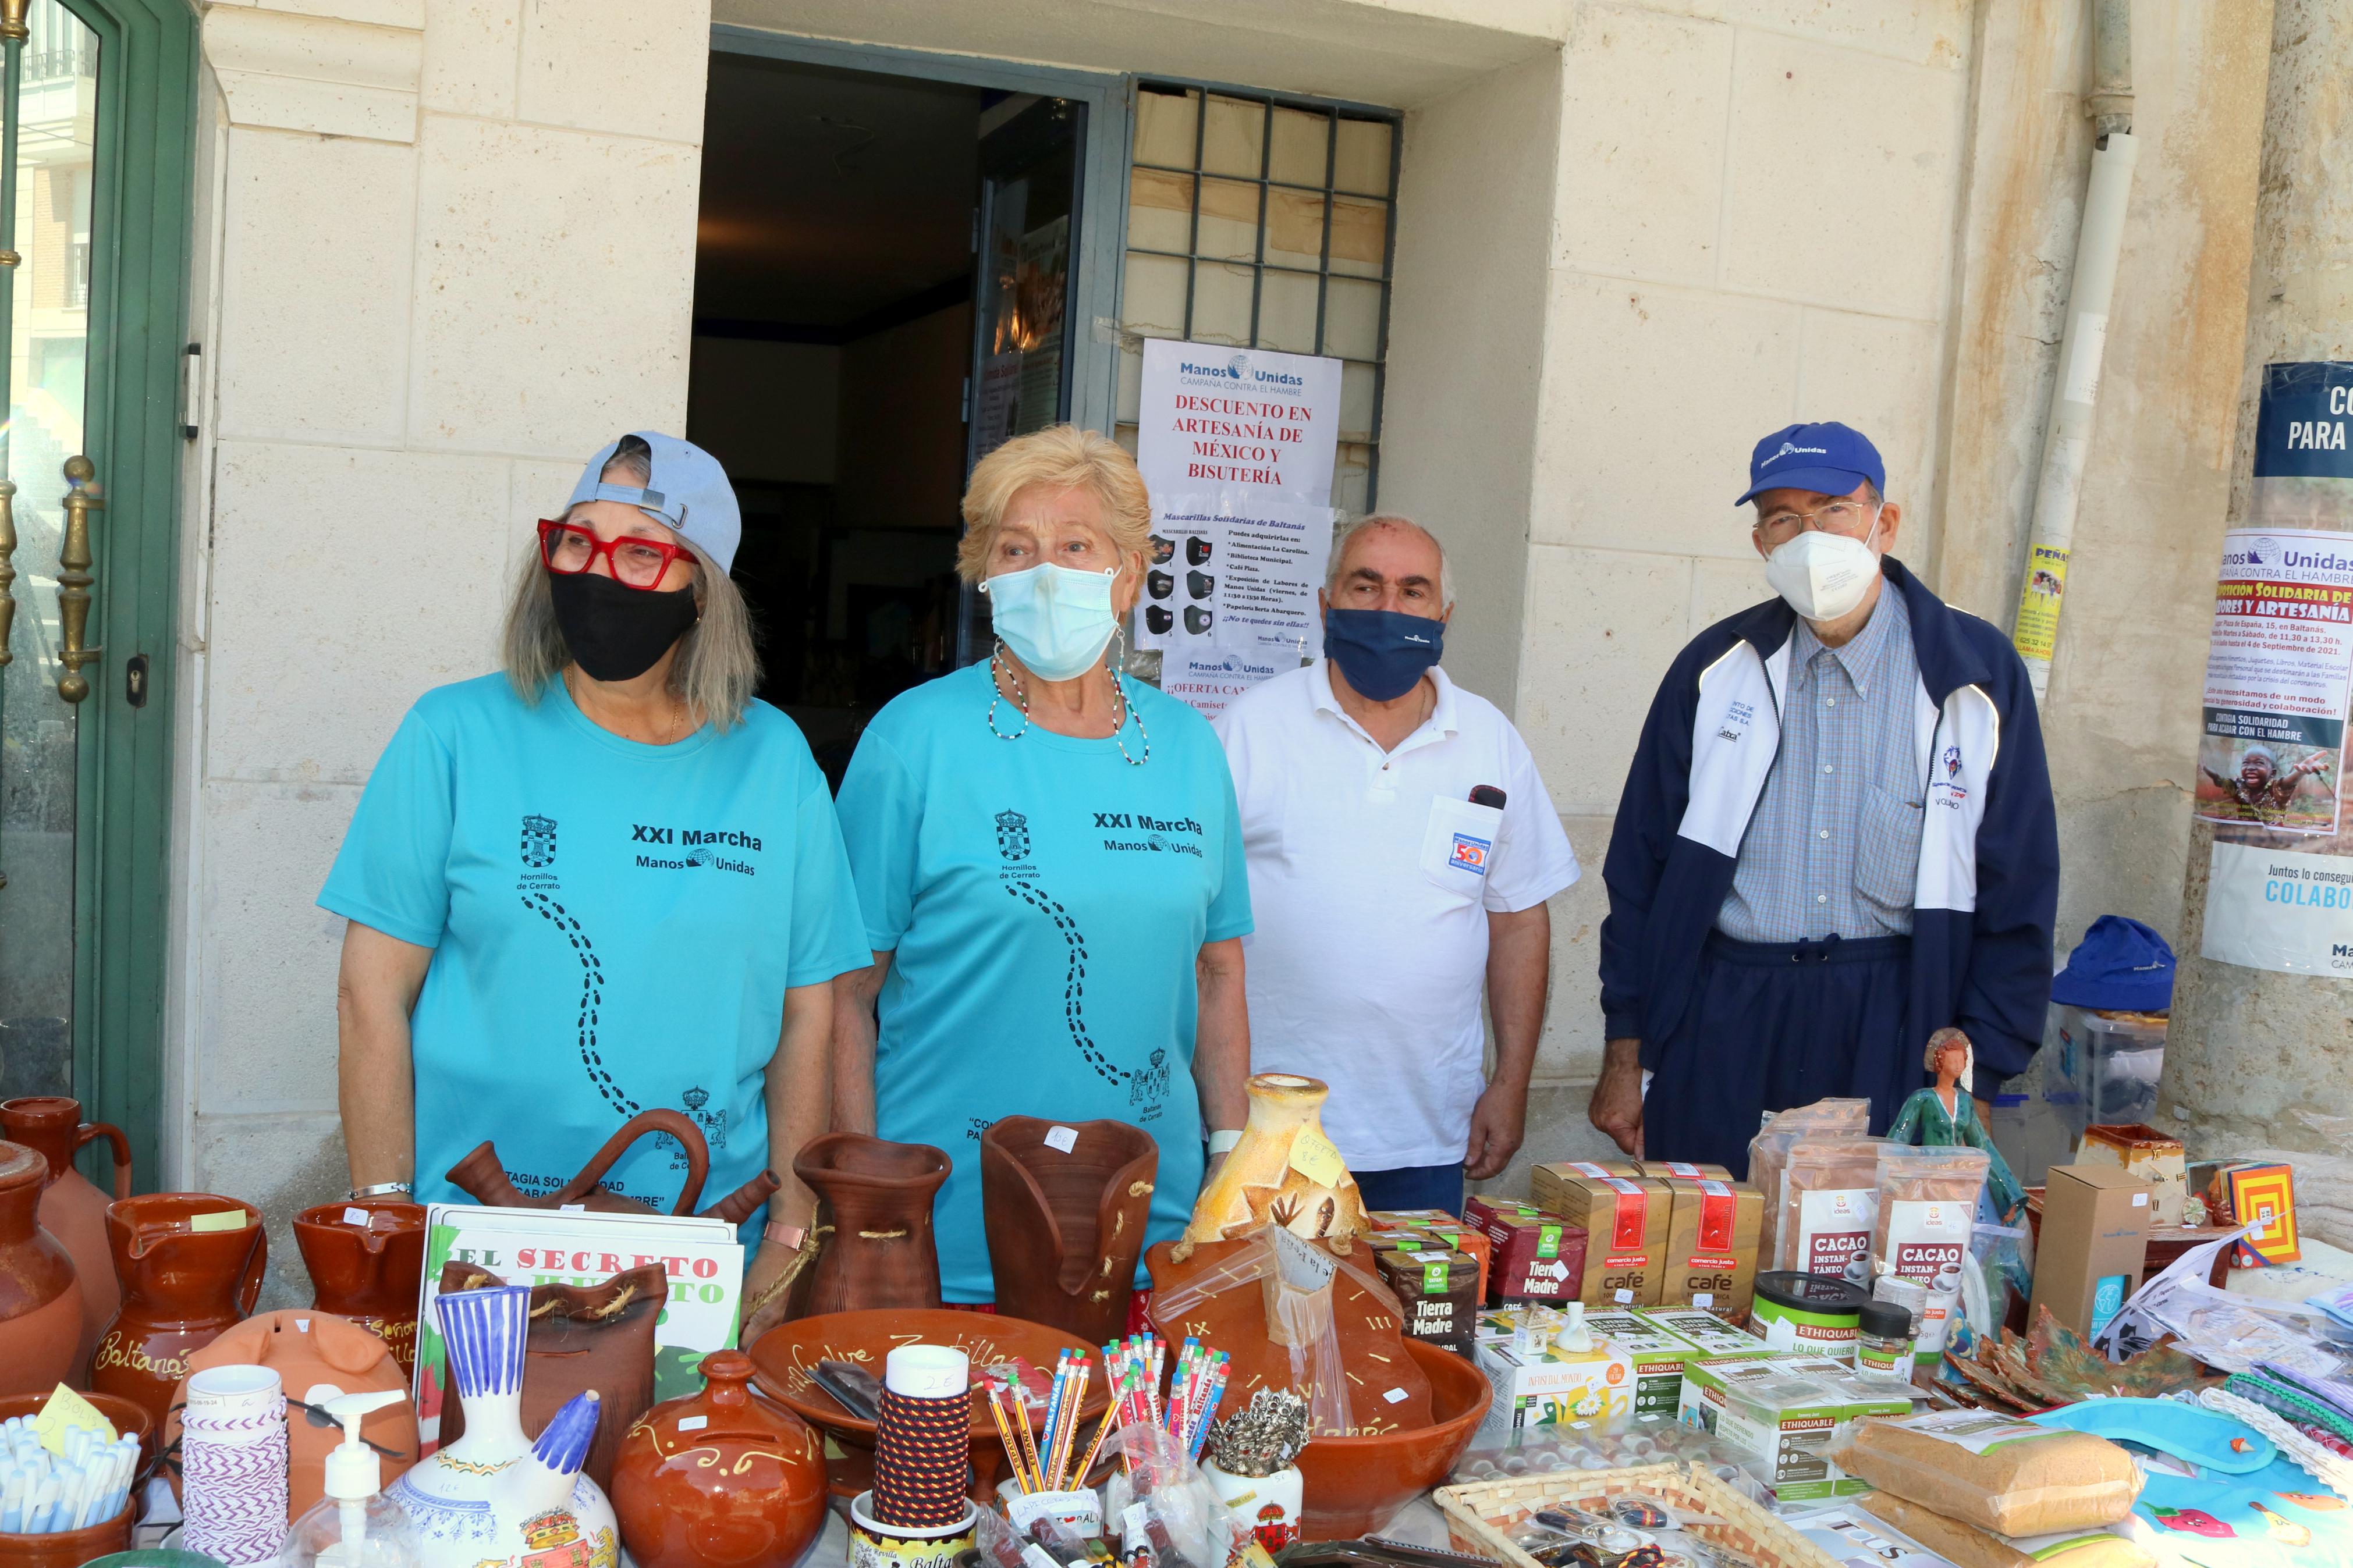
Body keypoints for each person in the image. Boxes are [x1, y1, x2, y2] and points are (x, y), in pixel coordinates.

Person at [322, 433, 869, 1337]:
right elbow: (367, 994)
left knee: (676, 1471)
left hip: (694, 1242)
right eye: (576, 541)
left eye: (642, 551)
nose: (597, 573)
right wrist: (387, 1217)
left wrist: (789, 1228)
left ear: (703, 591)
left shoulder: (773, 761)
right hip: (475, 1232)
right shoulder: (452, 735)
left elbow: (808, 1009)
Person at [831, 424, 1252, 1303]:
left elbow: (1217, 971)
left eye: (1074, 545)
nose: (1044, 570)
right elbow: (843, 988)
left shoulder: (1186, 746)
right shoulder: (913, 739)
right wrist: (870, 1193)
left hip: (1154, 1224)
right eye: (1015, 549)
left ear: (1128, 573)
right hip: (947, 1225)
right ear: (983, 575)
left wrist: (1231, 1161)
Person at [1592, 421, 2058, 1174]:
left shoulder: (1973, 678)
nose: (1808, 536)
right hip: (1726, 1010)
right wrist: (1624, 1050)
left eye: (1831, 509)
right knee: (1714, 1255)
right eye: (1783, 518)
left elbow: (2019, 890)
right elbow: (1638, 876)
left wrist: (1979, 1067)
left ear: (1884, 521)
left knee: (1870, 1264)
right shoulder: (1713, 671)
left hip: (1893, 1015)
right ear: (1760, 543)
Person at [1214, 517, 1578, 1214]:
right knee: (1270, 1322)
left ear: (1443, 613)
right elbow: (1197, 932)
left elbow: (1519, 922)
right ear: (1325, 605)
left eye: (1413, 591)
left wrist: (1509, 1083)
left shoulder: (1489, 740)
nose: (1388, 609)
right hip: (1268, 1132)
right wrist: (1222, 1118)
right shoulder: (1249, 729)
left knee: (1413, 1325)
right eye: (1365, 585)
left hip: (1426, 1136)